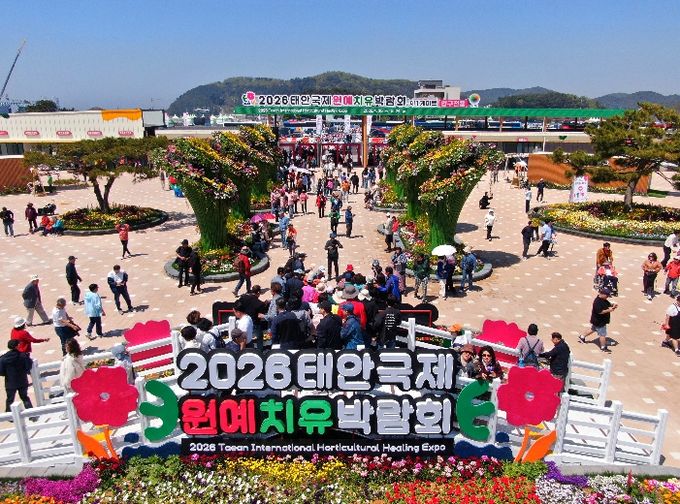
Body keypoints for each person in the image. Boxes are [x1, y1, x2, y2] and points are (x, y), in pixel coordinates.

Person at [579, 288, 618, 353]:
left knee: (593, 329)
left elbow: (608, 304)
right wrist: (609, 310)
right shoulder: (597, 302)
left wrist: (613, 305)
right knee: (602, 335)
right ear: (602, 294)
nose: (607, 297)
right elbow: (600, 312)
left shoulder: (603, 300)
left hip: (597, 321)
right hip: (600, 321)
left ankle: (582, 337)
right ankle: (603, 347)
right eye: (607, 295)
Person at [0, 340, 33, 412]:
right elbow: (28, 366)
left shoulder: (3, 358)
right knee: (25, 397)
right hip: (22, 380)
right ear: (17, 346)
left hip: (10, 382)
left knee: (10, 399)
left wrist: (8, 374)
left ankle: (9, 415)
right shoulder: (23, 356)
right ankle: (31, 414)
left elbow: (1, 372)